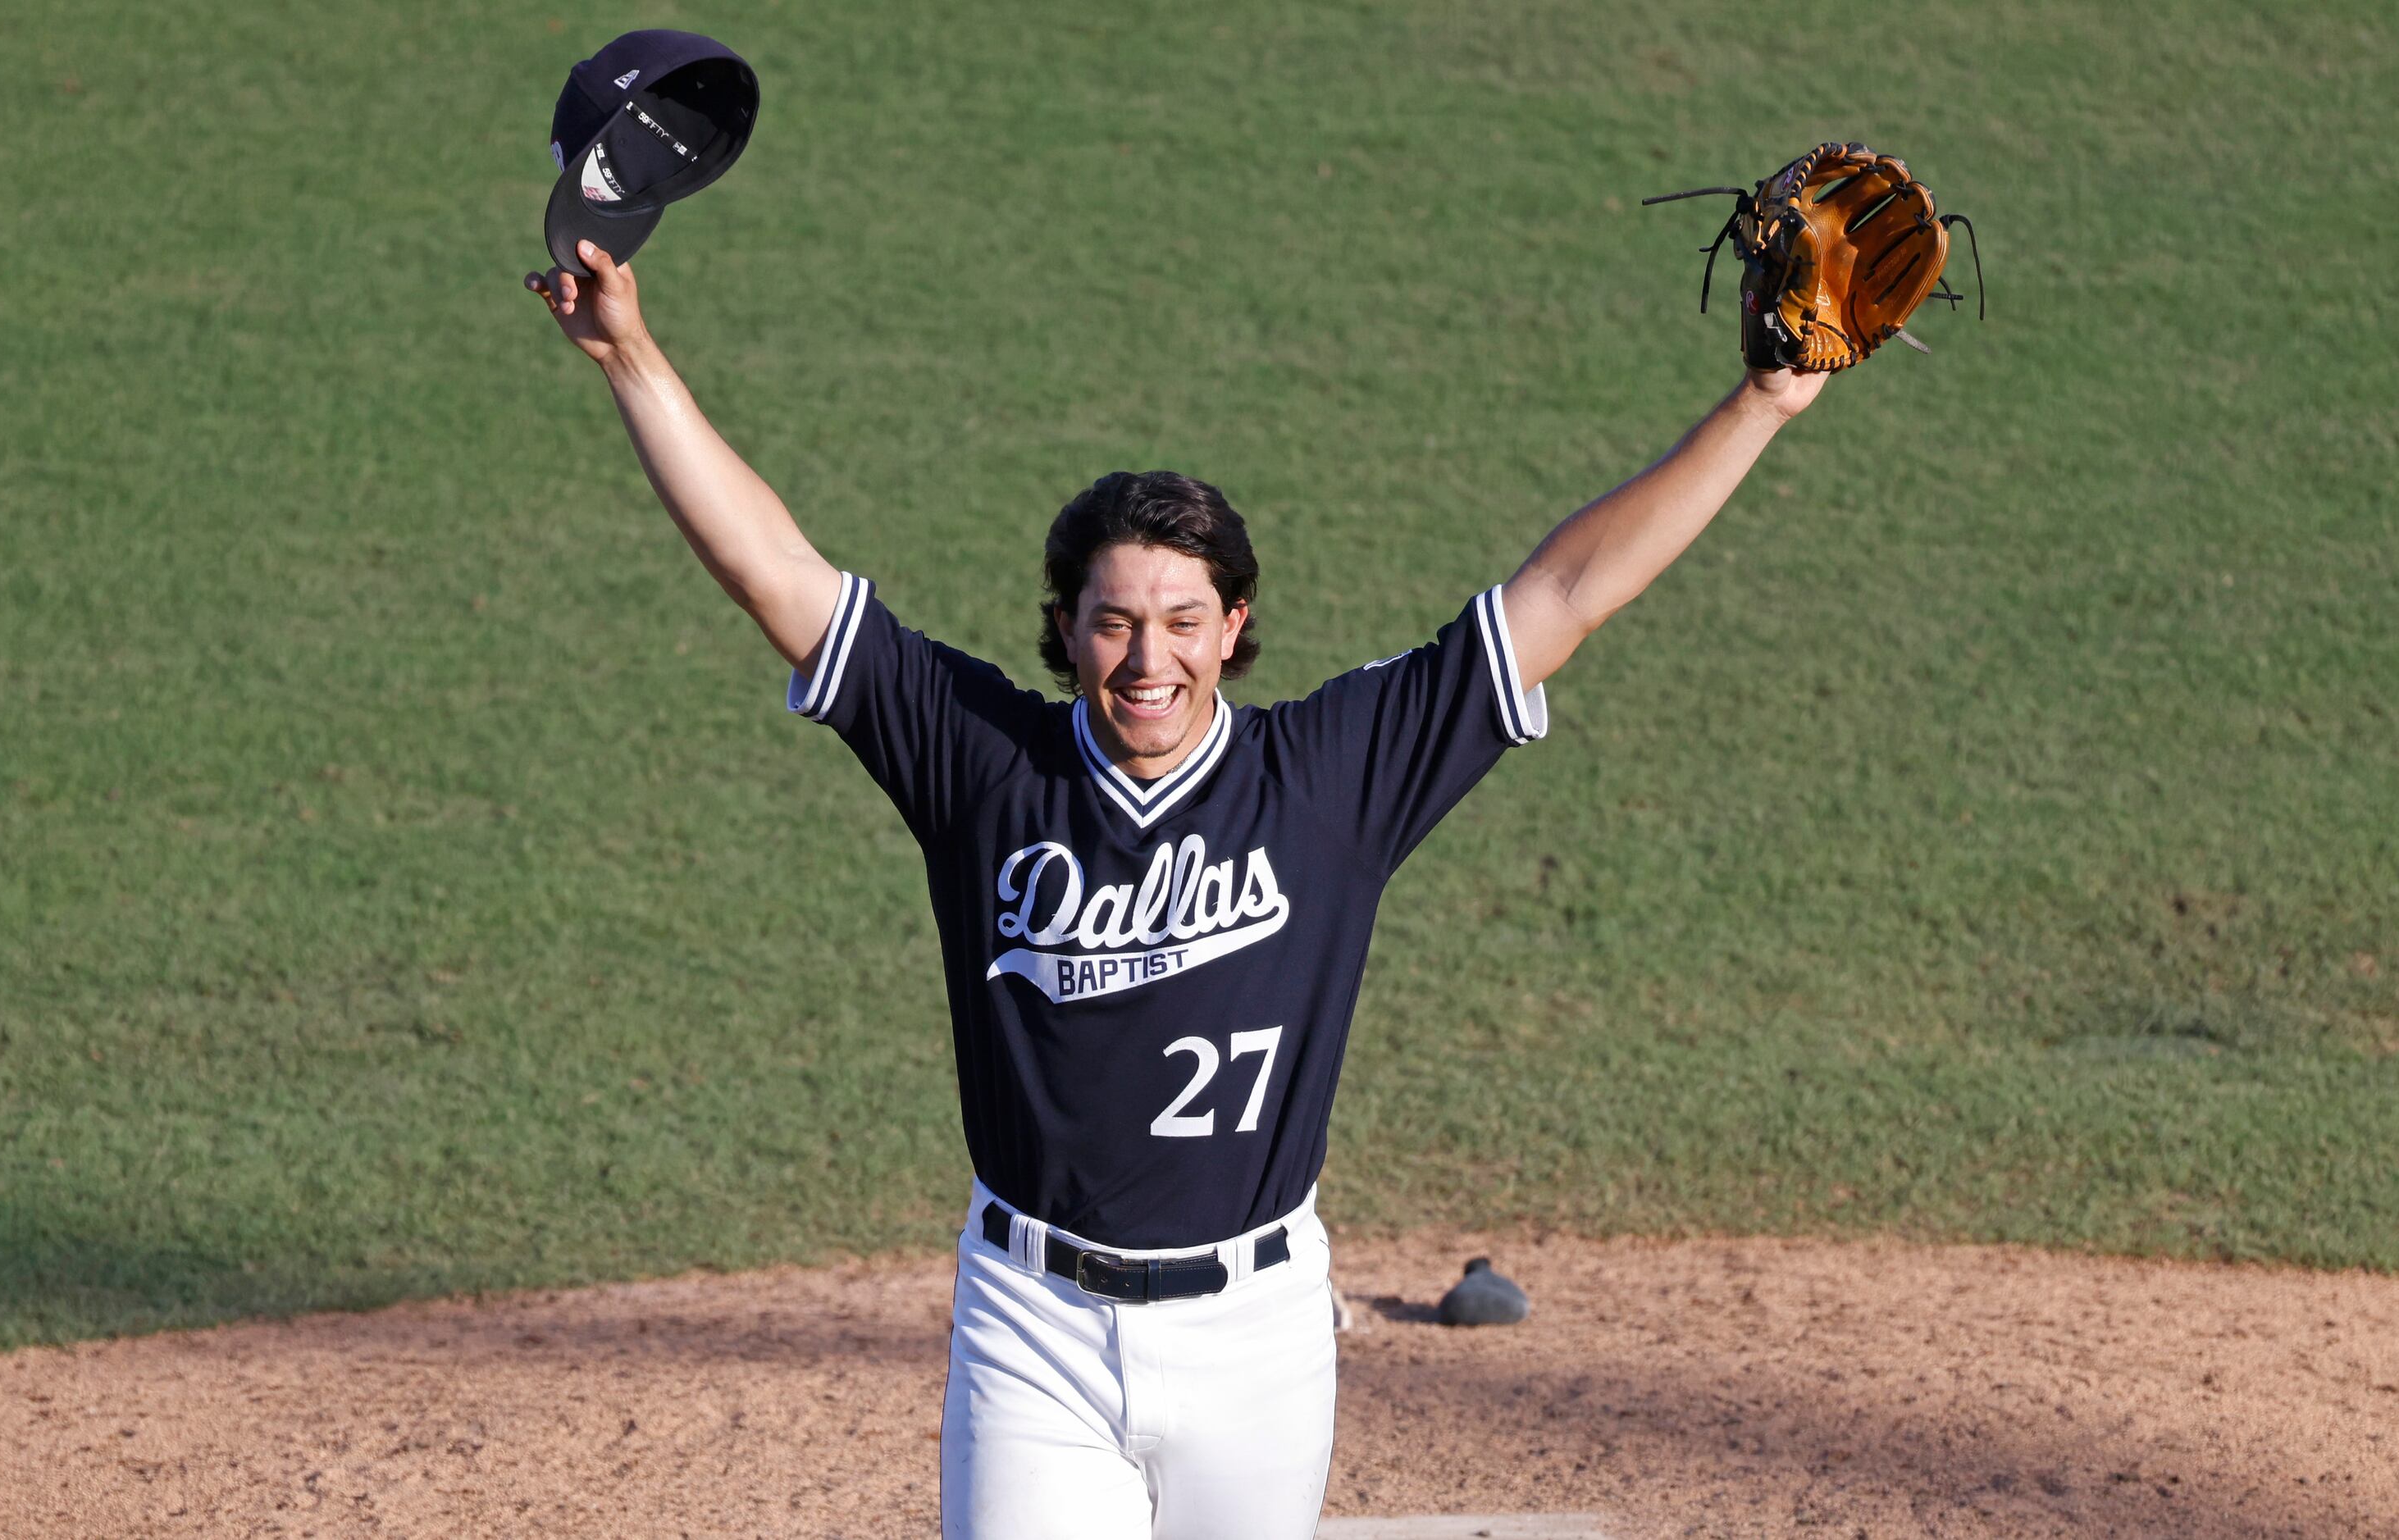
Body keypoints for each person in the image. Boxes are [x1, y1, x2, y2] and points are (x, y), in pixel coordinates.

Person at [527, 238, 1824, 1539]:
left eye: (1183, 619)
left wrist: (1762, 401)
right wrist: (630, 356)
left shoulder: (1332, 776)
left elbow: (1563, 590)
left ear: (1234, 624)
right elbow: (780, 575)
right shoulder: (982, 760)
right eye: (1113, 620)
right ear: (1066, 625)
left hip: (1254, 1338)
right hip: (1032, 1327)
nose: (1148, 658)